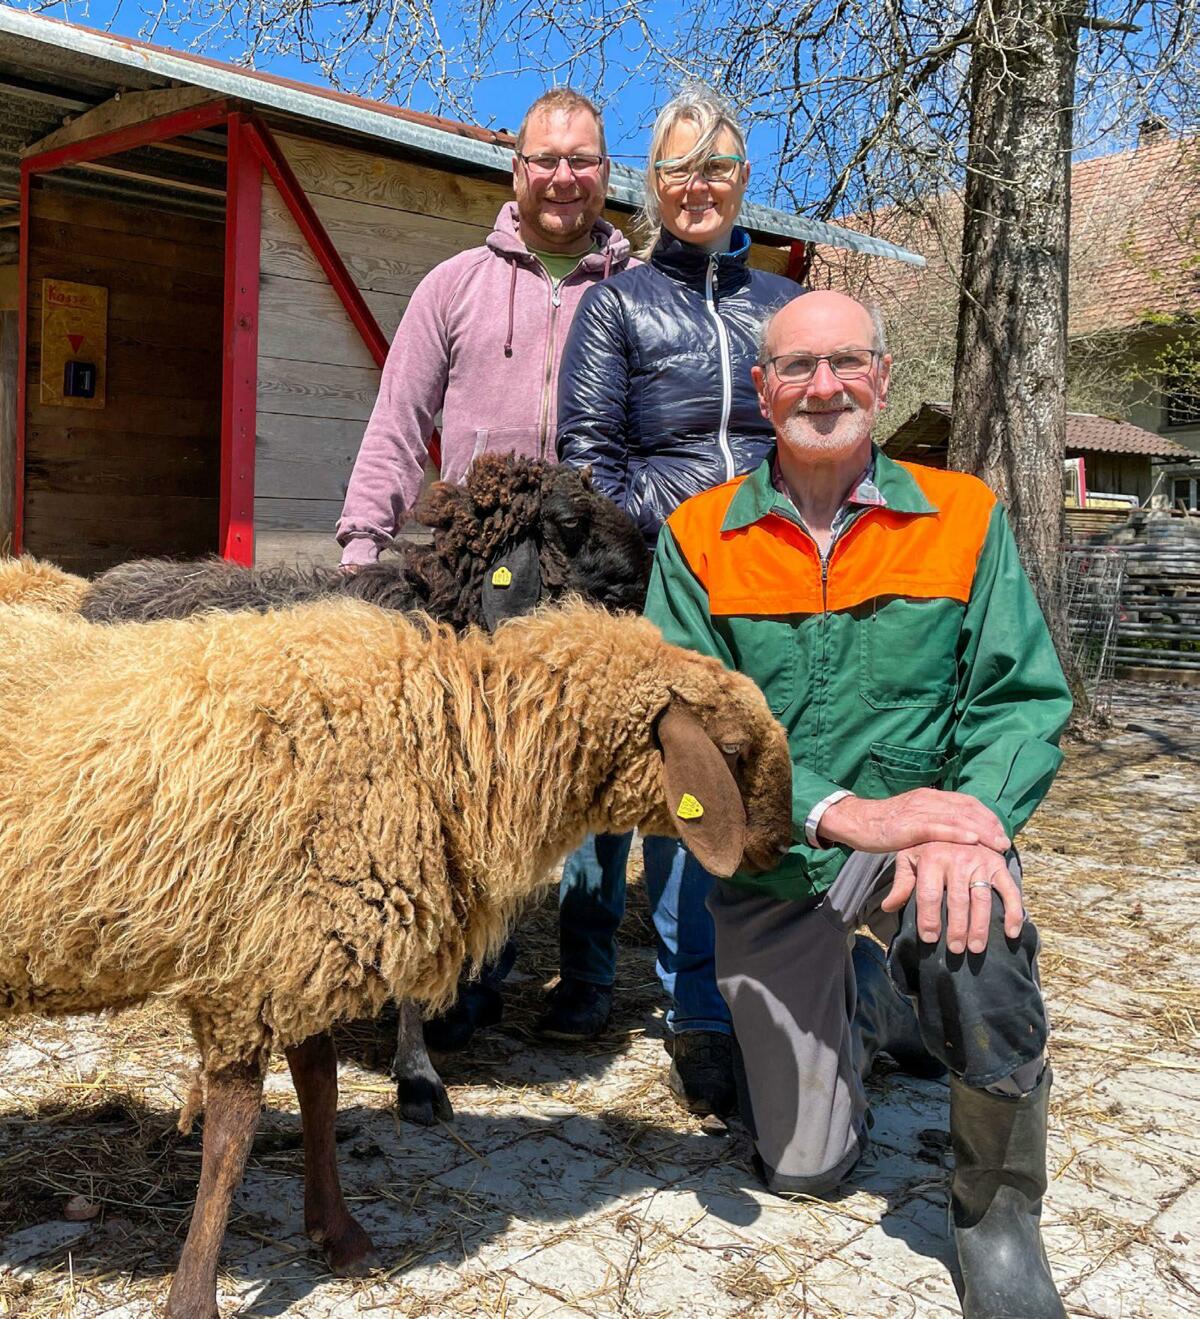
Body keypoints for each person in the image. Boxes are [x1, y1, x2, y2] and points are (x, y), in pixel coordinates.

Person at [644, 289, 1071, 1318]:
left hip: (917, 855)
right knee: (803, 1167)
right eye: (795, 367)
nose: (822, 385)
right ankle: (878, 1001)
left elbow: (1016, 700)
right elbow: (678, 745)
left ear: (881, 378)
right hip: (776, 871)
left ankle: (997, 1215)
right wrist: (840, 812)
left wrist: (977, 821)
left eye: (845, 363)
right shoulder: (698, 540)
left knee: (981, 930)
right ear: (762, 390)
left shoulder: (963, 517)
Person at [336, 88, 634, 1045]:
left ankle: (588, 973)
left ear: (605, 173)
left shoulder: (634, 294)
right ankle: (475, 969)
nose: (561, 176)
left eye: (581, 159)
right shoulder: (455, 285)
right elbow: (396, 425)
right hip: (478, 576)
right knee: (478, 777)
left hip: (595, 575)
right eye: (544, 157)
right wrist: (360, 550)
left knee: (595, 775)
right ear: (515, 169)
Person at [544, 86, 797, 1119]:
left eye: (719, 168)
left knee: (751, 783)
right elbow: (591, 466)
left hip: (780, 586)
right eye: (681, 169)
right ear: (655, 184)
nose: (700, 187)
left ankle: (779, 988)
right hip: (655, 582)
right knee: (662, 792)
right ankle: (679, 1007)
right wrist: (715, 511)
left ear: (744, 181)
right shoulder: (618, 303)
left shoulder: (781, 307)